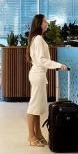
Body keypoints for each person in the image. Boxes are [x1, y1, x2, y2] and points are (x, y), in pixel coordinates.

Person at [26, 14, 67, 147]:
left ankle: (38, 134)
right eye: (44, 21)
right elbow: (42, 60)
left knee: (37, 106)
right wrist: (58, 65)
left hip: (39, 74)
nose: (47, 23)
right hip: (38, 74)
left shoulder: (38, 38)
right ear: (38, 24)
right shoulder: (38, 39)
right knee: (33, 106)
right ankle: (31, 137)